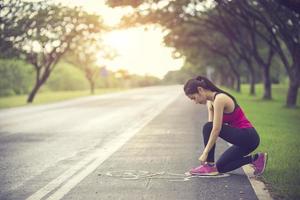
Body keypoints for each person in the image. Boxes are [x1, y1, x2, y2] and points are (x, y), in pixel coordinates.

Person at [183, 75, 268, 176]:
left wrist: (205, 153)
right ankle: (256, 159)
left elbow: (215, 129)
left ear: (200, 90)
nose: (195, 102)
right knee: (220, 167)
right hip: (241, 142)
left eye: (194, 98)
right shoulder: (211, 102)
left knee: (207, 127)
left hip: (248, 136)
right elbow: (211, 129)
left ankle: (209, 166)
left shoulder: (220, 99)